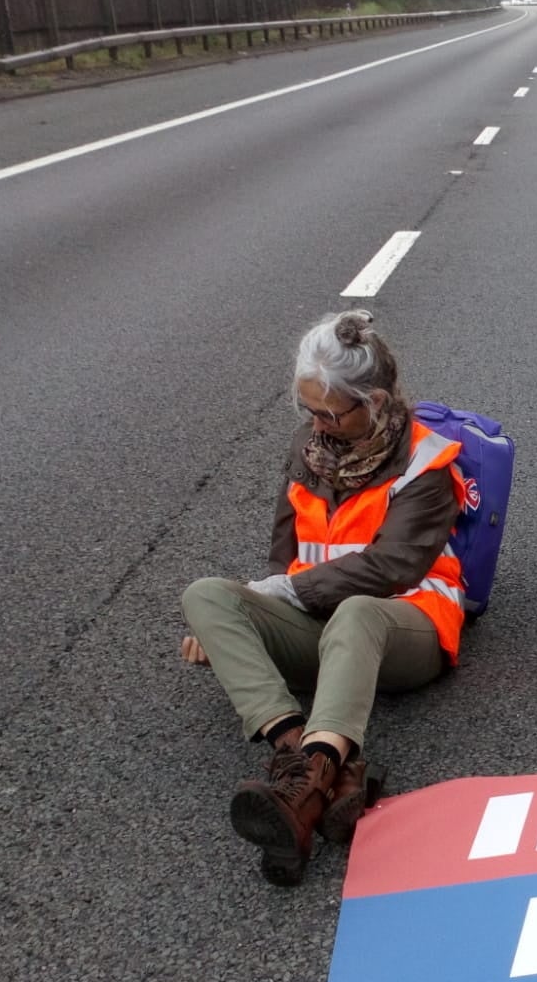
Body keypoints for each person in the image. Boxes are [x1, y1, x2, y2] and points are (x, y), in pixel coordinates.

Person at [180, 310, 465, 886]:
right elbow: (282, 557)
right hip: (318, 625)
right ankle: (300, 761)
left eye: (330, 413)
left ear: (375, 401)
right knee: (207, 595)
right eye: (308, 410)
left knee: (358, 611)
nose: (317, 425)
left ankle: (310, 779)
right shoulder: (307, 450)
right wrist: (242, 624)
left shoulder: (427, 466)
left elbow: (391, 568)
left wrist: (283, 592)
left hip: (402, 631)